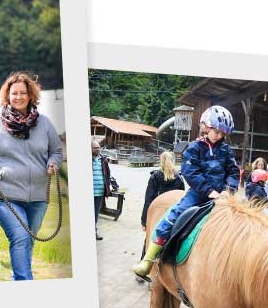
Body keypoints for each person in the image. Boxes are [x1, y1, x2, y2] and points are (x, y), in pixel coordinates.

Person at [0, 72, 63, 281]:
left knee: (26, 242)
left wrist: (53, 163)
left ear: (31, 95)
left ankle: (18, 281)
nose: (19, 97)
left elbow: (56, 151)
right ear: (7, 96)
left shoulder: (45, 124)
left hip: (38, 197)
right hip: (4, 195)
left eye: (23, 93)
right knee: (21, 238)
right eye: (14, 93)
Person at [133, 105, 239, 277]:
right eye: (216, 131)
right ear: (205, 126)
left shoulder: (226, 150)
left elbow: (233, 171)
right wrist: (209, 191)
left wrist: (229, 190)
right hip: (198, 194)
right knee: (173, 215)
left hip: (223, 196)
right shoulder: (194, 148)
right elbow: (191, 172)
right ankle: (148, 258)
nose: (219, 136)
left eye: (222, 134)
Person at [141, 151, 185, 231]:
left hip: (157, 213)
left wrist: (144, 221)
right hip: (173, 216)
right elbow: (181, 200)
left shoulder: (154, 177)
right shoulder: (179, 179)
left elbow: (148, 200)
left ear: (161, 161)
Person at [92, 139, 111, 241]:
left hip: (99, 192)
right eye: (95, 148)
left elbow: (108, 174)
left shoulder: (103, 160)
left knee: (95, 213)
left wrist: (107, 186)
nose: (98, 149)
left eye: (98, 147)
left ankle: (94, 232)